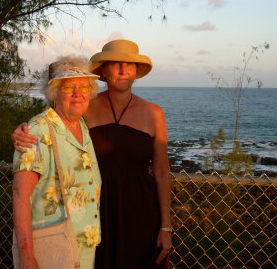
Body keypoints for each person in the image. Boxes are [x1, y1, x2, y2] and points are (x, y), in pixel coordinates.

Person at [13, 40, 172, 269]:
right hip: (95, 216)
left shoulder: (154, 113)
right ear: (103, 71)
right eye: (115, 63)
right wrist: (23, 130)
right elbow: (55, 118)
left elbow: (162, 172)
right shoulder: (86, 107)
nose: (122, 69)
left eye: (129, 64)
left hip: (141, 214)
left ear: (136, 72)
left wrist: (166, 227)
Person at [12, 55, 102, 269]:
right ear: (54, 93)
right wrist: (26, 257)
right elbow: (20, 194)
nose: (79, 94)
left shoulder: (82, 126)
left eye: (84, 87)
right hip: (52, 246)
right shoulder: (37, 130)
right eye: (70, 88)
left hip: (85, 243)